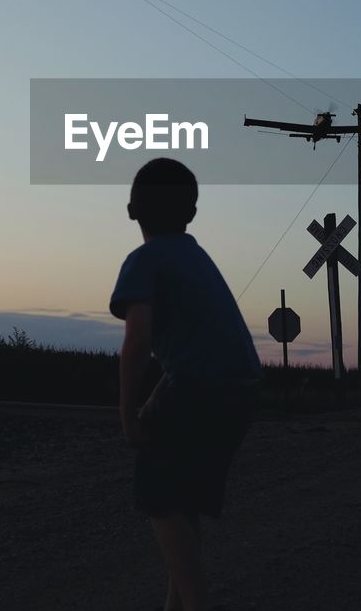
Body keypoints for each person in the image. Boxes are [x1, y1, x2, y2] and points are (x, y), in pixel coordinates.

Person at [110, 158, 262, 611]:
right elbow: (197, 345)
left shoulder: (144, 260)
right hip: (242, 389)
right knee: (182, 503)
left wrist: (127, 418)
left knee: (159, 500)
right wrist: (157, 399)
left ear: (131, 209)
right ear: (192, 214)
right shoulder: (196, 257)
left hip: (203, 389)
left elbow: (137, 342)